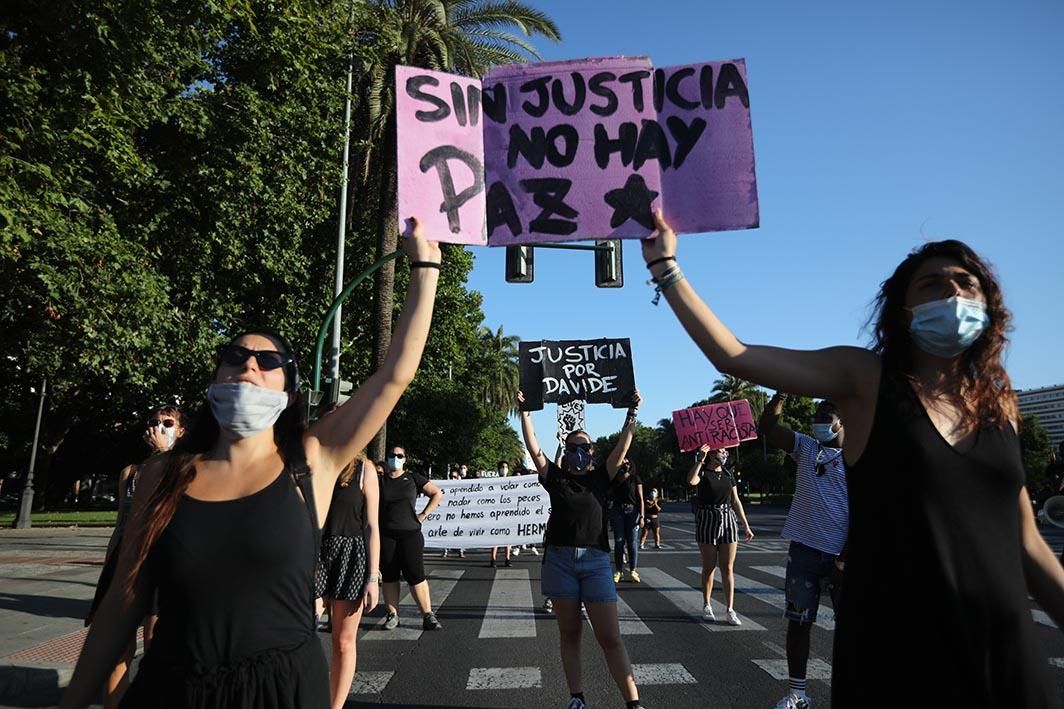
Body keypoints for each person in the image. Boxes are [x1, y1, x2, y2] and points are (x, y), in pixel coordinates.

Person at [642, 212, 1064, 706]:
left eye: (965, 283)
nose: (952, 294)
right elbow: (734, 356)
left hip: (1006, 652)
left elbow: (1026, 541)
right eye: (931, 284)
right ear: (902, 311)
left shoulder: (1000, 405)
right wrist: (665, 266)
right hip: (896, 652)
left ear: (988, 304)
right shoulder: (865, 379)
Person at [60, 219, 441, 708]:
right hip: (172, 689)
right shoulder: (162, 474)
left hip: (282, 690)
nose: (249, 366)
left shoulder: (313, 459)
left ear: (289, 390)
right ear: (216, 376)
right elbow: (120, 606)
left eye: (267, 361)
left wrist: (425, 268)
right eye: (235, 356)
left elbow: (394, 376)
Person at [517, 389, 646, 709]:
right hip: (560, 561)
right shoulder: (555, 478)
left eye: (585, 447)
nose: (579, 452)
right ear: (566, 449)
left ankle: (633, 703)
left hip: (596, 561)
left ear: (592, 451)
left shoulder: (602, 478)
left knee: (610, 637)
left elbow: (623, 446)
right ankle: (577, 698)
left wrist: (632, 412)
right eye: (573, 447)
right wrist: (526, 412)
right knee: (570, 633)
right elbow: (534, 449)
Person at [86, 407, 186, 709]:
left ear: (180, 432)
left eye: (168, 423)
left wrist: (164, 455)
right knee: (116, 652)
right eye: (154, 422)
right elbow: (120, 525)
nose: (160, 427)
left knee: (157, 650)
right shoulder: (129, 473)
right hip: (125, 564)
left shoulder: (183, 467)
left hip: (160, 563)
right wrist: (107, 572)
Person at [760, 394, 849, 709]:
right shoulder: (806, 447)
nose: (819, 421)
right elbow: (768, 426)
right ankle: (798, 694)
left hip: (842, 557)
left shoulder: (859, 456)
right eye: (818, 415)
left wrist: (845, 556)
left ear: (845, 419)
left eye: (827, 415)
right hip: (804, 552)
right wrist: (780, 396)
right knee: (798, 622)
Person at [315, 448, 380, 709]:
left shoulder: (364, 468)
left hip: (350, 555)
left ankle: (335, 706)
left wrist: (373, 577)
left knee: (343, 642)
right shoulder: (311, 464)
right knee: (301, 633)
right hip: (314, 553)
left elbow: (371, 524)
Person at [378, 445, 445, 630]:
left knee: (416, 575)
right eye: (392, 455)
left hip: (410, 535)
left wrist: (423, 514)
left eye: (400, 455)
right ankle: (392, 615)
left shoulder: (413, 478)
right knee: (390, 576)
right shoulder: (379, 481)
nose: (396, 458)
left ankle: (428, 614)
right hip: (386, 536)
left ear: (405, 459)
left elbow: (436, 493)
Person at [687, 445, 753, 625]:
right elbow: (691, 481)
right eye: (720, 450)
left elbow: (735, 500)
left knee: (728, 567)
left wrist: (745, 525)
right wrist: (700, 459)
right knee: (709, 566)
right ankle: (707, 604)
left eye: (725, 451)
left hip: (728, 519)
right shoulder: (702, 472)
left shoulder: (727, 473)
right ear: (711, 454)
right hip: (707, 519)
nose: (724, 453)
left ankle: (730, 609)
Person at [608, 459, 644, 583]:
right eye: (623, 463)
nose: (626, 465)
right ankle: (619, 570)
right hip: (618, 510)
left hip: (632, 511)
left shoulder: (635, 478)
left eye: (628, 463)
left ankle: (633, 570)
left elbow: (640, 498)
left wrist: (642, 516)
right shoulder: (615, 478)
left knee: (632, 542)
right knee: (619, 541)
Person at [442, 469, 465, 559]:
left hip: (459, 514)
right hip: (448, 513)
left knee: (459, 532)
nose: (452, 479)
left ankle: (461, 551)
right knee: (445, 531)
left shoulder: (463, 488)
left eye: (455, 477)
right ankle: (445, 551)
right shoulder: (446, 488)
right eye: (451, 477)